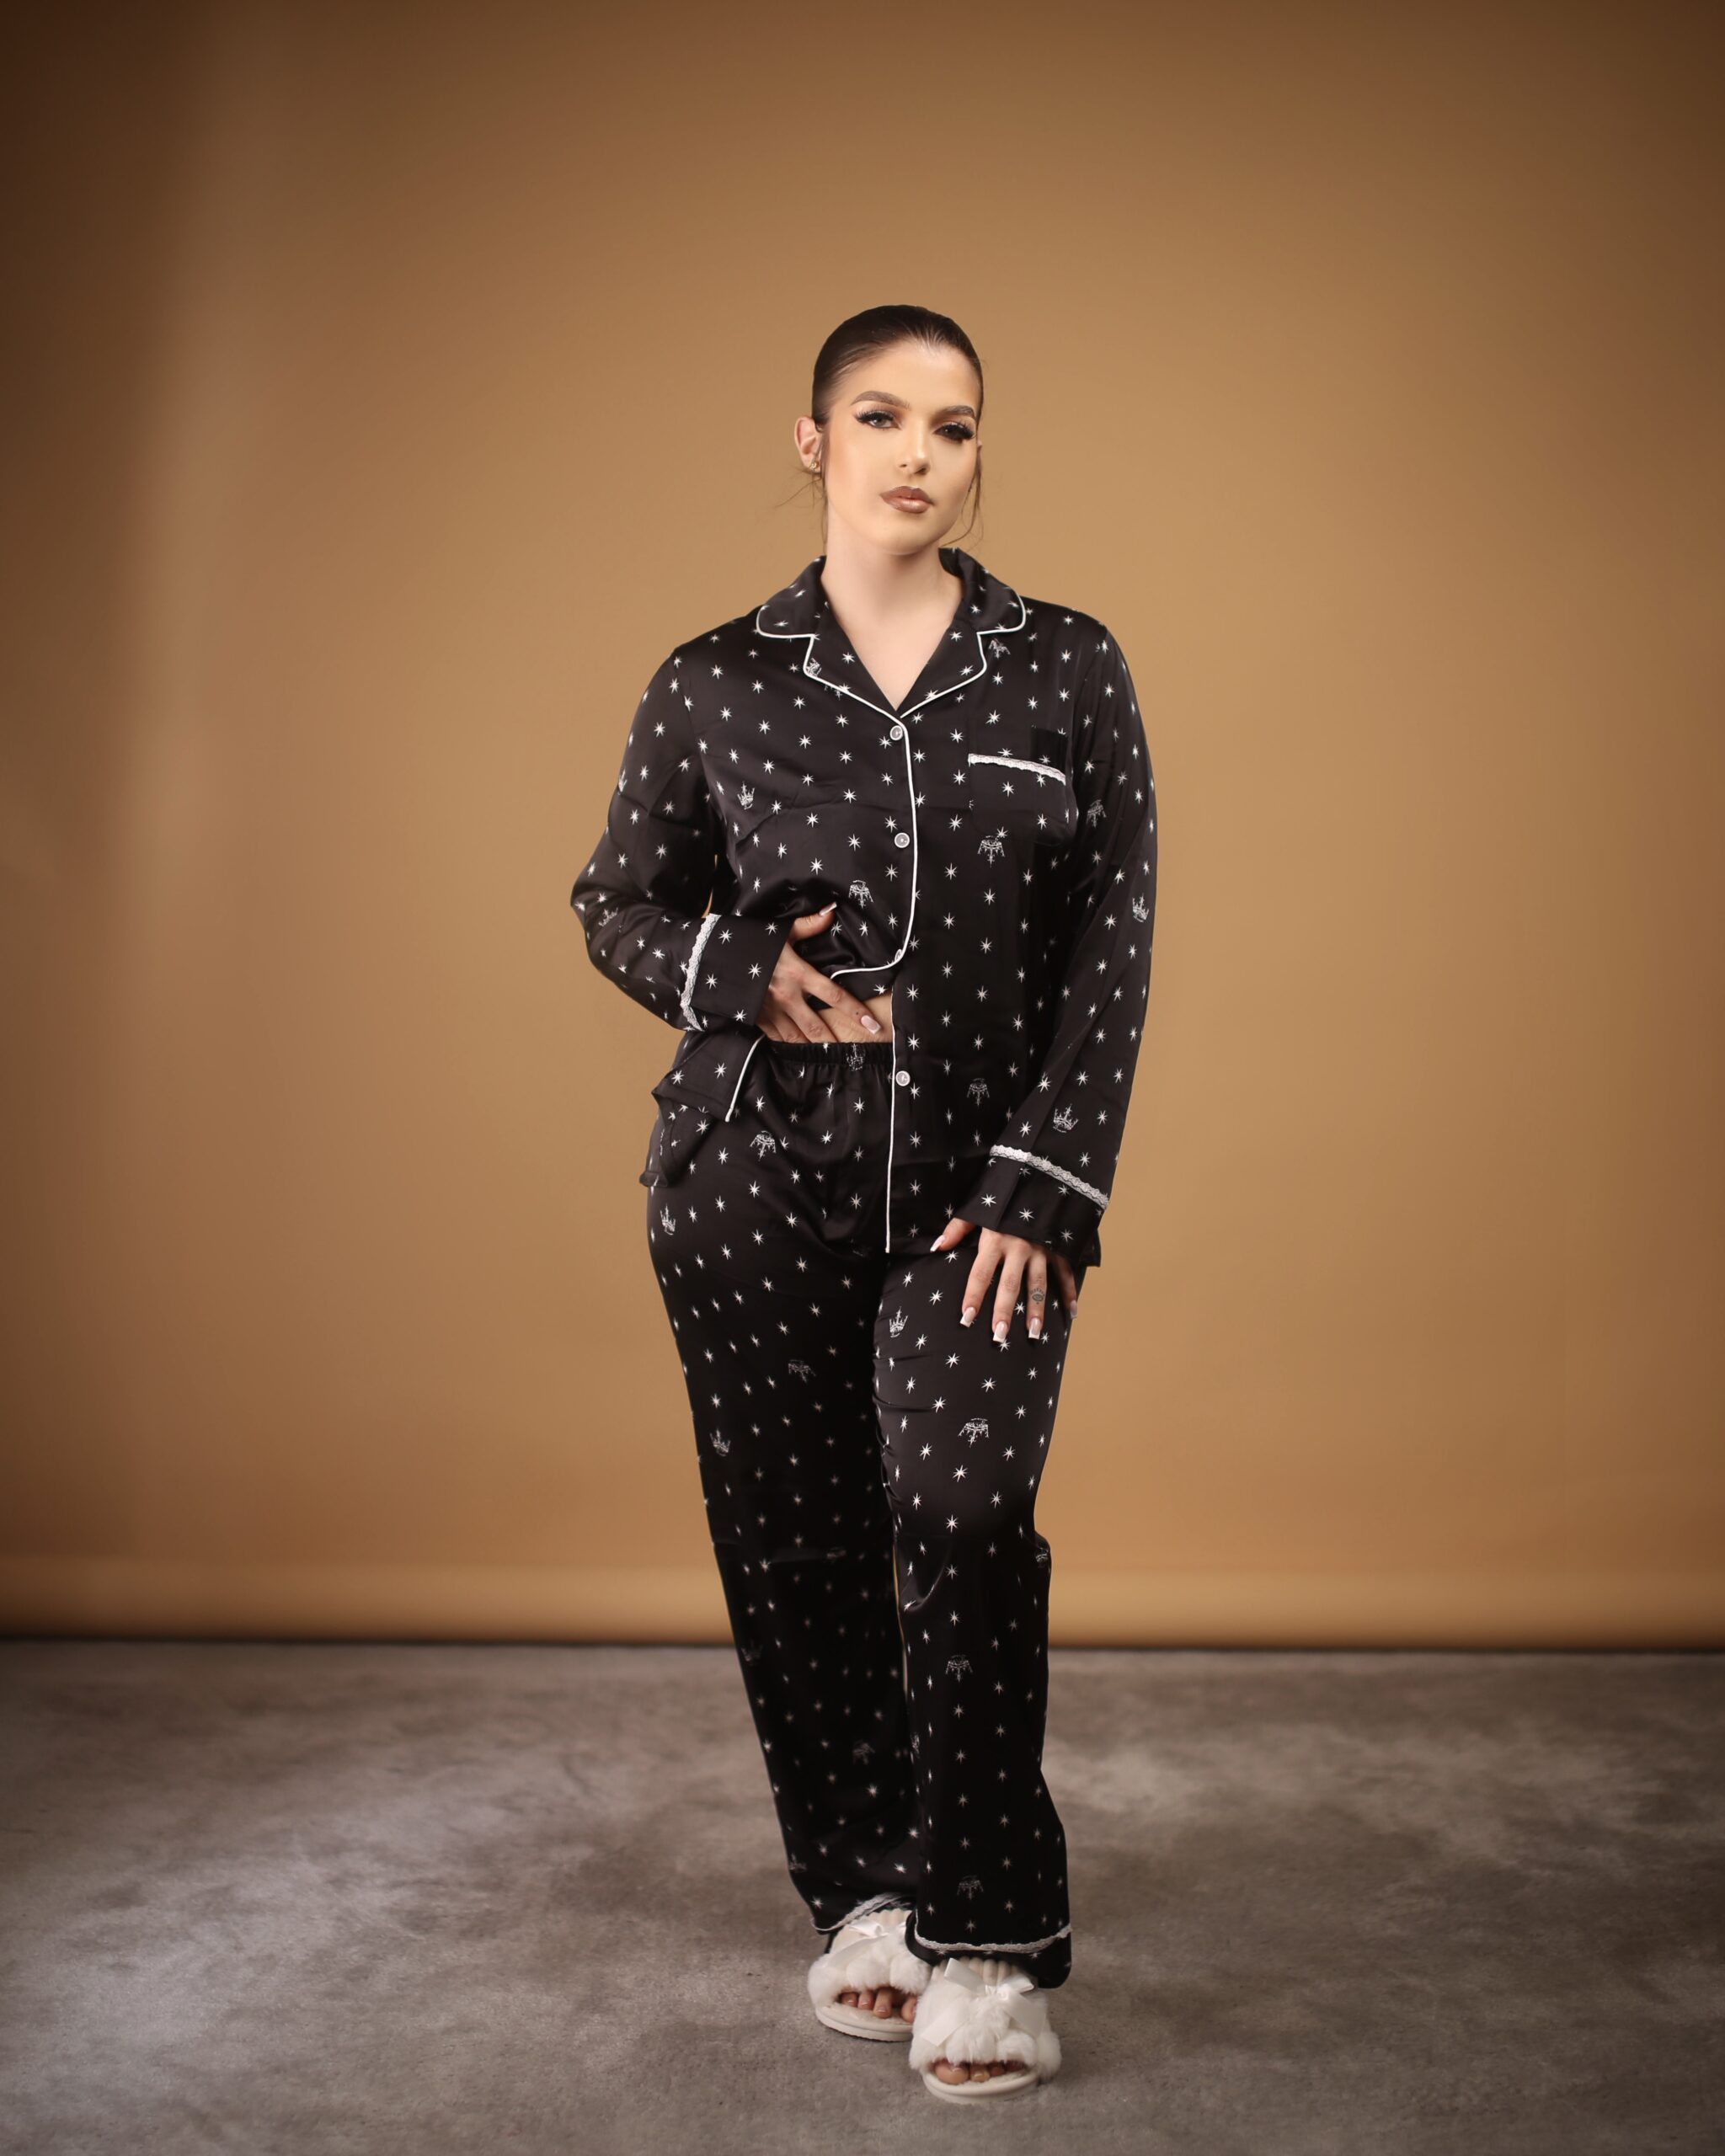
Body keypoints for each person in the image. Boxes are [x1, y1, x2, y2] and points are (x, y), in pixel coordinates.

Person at [569, 303, 1158, 2100]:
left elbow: (1113, 941)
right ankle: (872, 1897)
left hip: (984, 1192)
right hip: (753, 1172)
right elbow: (614, 900)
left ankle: (992, 1936)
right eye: (884, 417)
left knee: (961, 1518)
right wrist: (734, 970)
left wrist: (1048, 1181)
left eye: (955, 426)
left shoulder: (1063, 667)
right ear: (815, 440)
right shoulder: (714, 680)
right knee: (800, 1544)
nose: (921, 454)